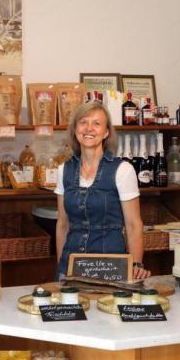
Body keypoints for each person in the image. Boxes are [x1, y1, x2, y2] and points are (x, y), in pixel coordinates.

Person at [55, 101, 151, 281]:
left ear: (106, 132)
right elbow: (62, 224)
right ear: (75, 130)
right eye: (83, 122)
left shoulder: (123, 170)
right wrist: (61, 265)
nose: (89, 128)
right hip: (70, 266)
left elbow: (133, 224)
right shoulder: (64, 170)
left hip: (111, 266)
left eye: (96, 123)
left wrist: (137, 264)